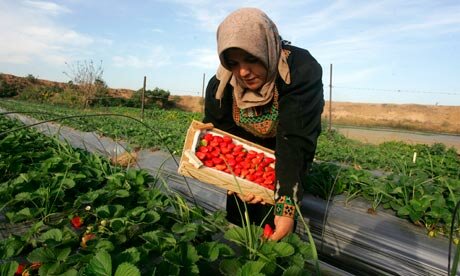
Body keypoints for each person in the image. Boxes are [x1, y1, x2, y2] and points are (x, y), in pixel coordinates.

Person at [203, 7, 324, 241]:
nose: (244, 71)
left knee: (277, 233)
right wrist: (234, 177)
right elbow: (224, 137)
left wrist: (286, 206)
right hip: (245, 158)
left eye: (251, 58)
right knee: (240, 224)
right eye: (233, 62)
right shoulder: (220, 85)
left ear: (267, 47)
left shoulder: (300, 70)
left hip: (287, 153)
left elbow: (294, 139)